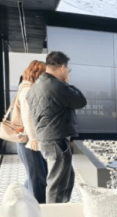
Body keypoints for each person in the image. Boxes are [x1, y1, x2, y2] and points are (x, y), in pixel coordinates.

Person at [27, 51, 87, 204]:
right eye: (68, 70)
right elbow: (80, 101)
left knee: (64, 178)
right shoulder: (57, 86)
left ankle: (60, 210)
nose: (67, 73)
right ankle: (54, 214)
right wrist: (68, 82)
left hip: (47, 138)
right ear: (62, 68)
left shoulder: (36, 86)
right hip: (56, 139)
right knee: (57, 183)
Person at [14, 61, 48, 203]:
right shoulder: (27, 89)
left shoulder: (31, 88)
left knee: (40, 174)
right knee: (37, 177)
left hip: (33, 139)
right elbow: (27, 116)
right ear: (38, 73)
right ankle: (38, 208)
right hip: (28, 140)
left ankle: (22, 200)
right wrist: (33, 139)